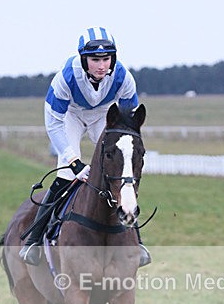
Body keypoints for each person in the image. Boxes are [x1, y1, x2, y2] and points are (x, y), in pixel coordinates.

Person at [20, 27, 151, 266]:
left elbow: (129, 123)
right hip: (70, 116)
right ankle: (34, 240)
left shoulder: (124, 78)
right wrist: (74, 161)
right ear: (83, 60)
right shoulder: (66, 78)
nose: (101, 66)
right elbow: (54, 124)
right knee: (66, 174)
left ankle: (137, 241)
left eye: (106, 59)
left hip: (104, 116)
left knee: (120, 172)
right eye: (95, 60)